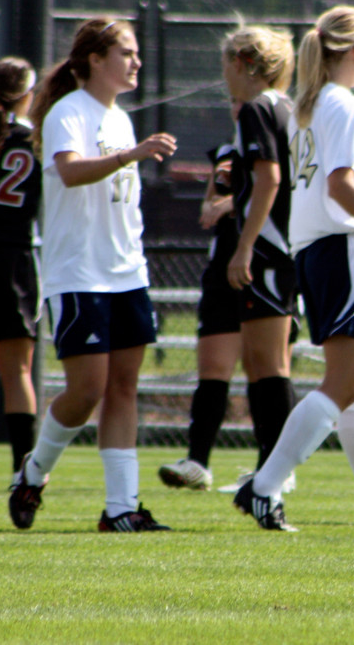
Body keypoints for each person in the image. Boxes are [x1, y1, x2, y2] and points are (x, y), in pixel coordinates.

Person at [233, 5, 354, 531]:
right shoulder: (340, 104)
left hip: (320, 251)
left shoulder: (314, 104)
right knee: (344, 381)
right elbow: (341, 184)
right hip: (341, 247)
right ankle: (264, 486)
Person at [8, 17, 177, 532]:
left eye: (135, 53)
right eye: (125, 52)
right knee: (87, 390)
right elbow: (72, 170)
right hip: (79, 273)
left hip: (126, 272)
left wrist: (130, 151)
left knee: (123, 387)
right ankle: (32, 474)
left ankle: (120, 509)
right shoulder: (68, 112)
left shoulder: (119, 118)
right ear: (95, 60)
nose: (136, 61)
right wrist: (132, 154)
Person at [219, 24, 299, 490]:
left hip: (269, 250)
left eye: (227, 63)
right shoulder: (286, 107)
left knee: (268, 364)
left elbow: (268, 180)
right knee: (263, 361)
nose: (225, 74)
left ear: (242, 63)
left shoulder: (257, 108)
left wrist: (244, 246)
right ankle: (272, 467)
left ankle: (276, 473)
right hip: (285, 248)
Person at [157, 101, 246, 491]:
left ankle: (276, 468)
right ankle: (198, 463)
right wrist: (219, 203)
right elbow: (209, 205)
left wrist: (233, 203)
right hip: (223, 267)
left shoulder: (284, 140)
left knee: (268, 370)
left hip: (266, 265)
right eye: (235, 100)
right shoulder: (228, 150)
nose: (239, 106)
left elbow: (286, 193)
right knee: (212, 371)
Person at [0, 57, 41, 475]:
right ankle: (24, 474)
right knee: (17, 370)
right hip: (12, 262)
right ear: (26, 95)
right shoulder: (35, 141)